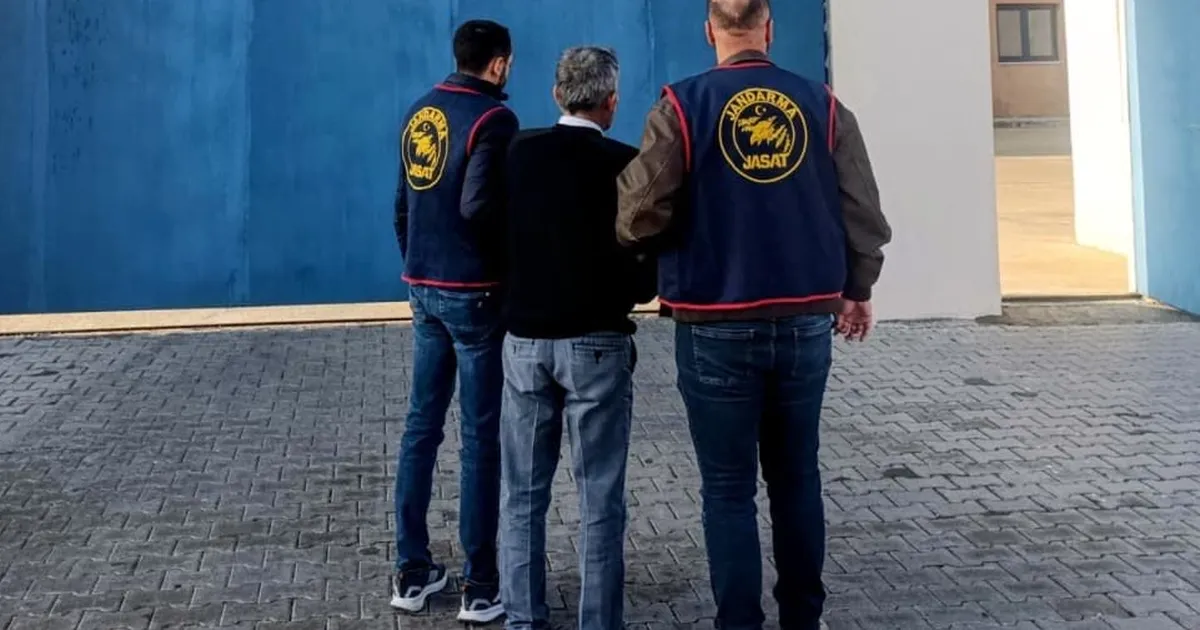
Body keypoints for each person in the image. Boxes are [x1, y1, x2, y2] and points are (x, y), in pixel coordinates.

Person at [615, 1, 892, 629]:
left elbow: (636, 215)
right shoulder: (823, 105)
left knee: (728, 489)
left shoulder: (681, 106)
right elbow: (863, 211)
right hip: (804, 322)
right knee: (796, 478)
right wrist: (858, 286)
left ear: (709, 31)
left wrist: (664, 244)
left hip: (713, 322)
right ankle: (803, 619)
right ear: (768, 29)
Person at [498, 47, 653, 630]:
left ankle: (522, 617)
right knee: (599, 497)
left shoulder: (518, 154)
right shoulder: (626, 163)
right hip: (597, 341)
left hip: (525, 341)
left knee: (522, 493)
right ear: (611, 101)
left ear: (556, 95)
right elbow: (642, 260)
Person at [391, 19, 518, 624]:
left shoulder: (420, 111)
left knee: (421, 429)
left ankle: (411, 572)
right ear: (498, 64)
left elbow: (401, 206)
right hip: (475, 294)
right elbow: (478, 205)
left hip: (423, 287)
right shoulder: (495, 119)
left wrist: (418, 267)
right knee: (479, 438)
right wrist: (505, 267)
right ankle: (481, 585)